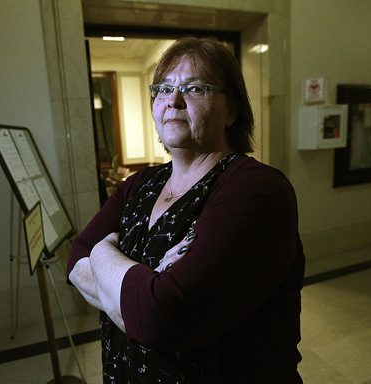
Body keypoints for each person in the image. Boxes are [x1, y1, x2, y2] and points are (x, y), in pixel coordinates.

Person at [67, 37, 305, 383]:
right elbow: (76, 260)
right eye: (162, 89)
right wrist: (143, 287)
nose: (173, 101)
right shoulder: (139, 183)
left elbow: (162, 319)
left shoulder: (257, 189)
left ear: (231, 111)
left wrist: (104, 253)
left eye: (195, 88)